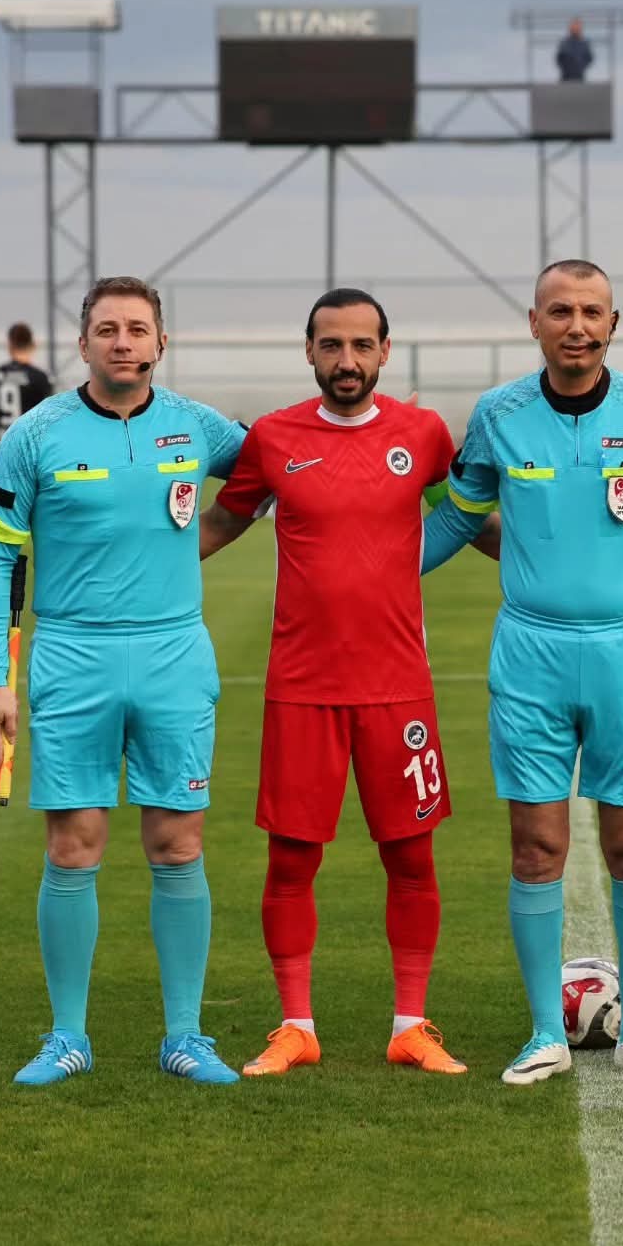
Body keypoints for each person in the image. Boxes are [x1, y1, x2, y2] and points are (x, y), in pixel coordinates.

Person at [422, 258, 623, 1086]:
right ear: (534, 323)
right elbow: (458, 518)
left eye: (593, 312)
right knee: (536, 848)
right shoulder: (498, 416)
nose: (577, 327)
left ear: (613, 324)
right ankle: (540, 1034)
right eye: (560, 311)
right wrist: (371, 574)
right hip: (531, 655)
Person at [199, 287, 481, 1078]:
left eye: (361, 345)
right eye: (332, 345)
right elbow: (222, 520)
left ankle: (411, 1026)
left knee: (411, 858)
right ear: (310, 351)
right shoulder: (274, 437)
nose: (347, 360)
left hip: (399, 687)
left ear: (385, 352)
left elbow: (469, 513)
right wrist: (145, 572)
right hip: (302, 686)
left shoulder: (423, 434)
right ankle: (296, 1027)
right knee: (291, 861)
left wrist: (544, 552)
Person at [0, 276, 246, 1087]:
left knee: (178, 844)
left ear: (162, 341)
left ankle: (186, 1037)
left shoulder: (199, 426)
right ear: (82, 343)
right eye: (106, 329)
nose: (122, 341)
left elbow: (275, 470)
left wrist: (210, 534)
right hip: (73, 658)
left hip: (173, 657)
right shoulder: (36, 434)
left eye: (136, 328)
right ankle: (67, 1038)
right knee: (73, 844)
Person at [0, 322, 52, 462]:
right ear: (33, 345)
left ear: (10, 345)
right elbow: (48, 423)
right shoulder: (40, 378)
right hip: (31, 456)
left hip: (2, 455)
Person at [555, 18, 594, 82]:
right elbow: (559, 58)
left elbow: (589, 58)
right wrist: (566, 67)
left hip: (579, 75)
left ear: (580, 29)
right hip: (566, 75)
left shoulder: (584, 43)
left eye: (578, 27)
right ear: (570, 28)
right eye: (574, 27)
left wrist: (581, 66)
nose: (575, 29)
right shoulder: (564, 42)